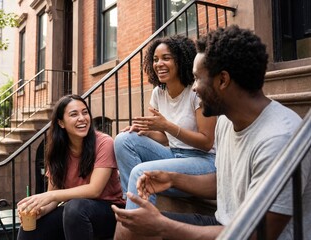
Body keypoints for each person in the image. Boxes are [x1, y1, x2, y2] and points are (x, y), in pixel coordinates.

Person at [111, 25, 311, 240]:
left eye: (197, 78)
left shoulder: (278, 139)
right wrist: (172, 178)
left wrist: (163, 226)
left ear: (222, 80)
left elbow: (258, 234)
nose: (194, 88)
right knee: (129, 226)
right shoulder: (227, 121)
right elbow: (221, 183)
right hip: (224, 223)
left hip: (246, 233)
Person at [114, 35, 217, 210]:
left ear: (181, 60)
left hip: (203, 163)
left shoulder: (196, 90)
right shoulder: (158, 93)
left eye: (166, 58)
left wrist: (167, 126)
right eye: (155, 60)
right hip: (174, 155)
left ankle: (137, 216)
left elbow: (207, 142)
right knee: (123, 140)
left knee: (141, 173)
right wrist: (145, 131)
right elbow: (164, 138)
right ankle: (133, 200)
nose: (159, 64)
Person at [16, 94, 125, 240]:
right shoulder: (57, 151)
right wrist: (40, 211)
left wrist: (50, 195)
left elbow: (94, 190)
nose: (82, 118)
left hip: (110, 211)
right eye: (74, 114)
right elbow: (53, 198)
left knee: (74, 208)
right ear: (61, 123)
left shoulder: (104, 142)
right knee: (32, 227)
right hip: (75, 214)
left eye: (85, 112)